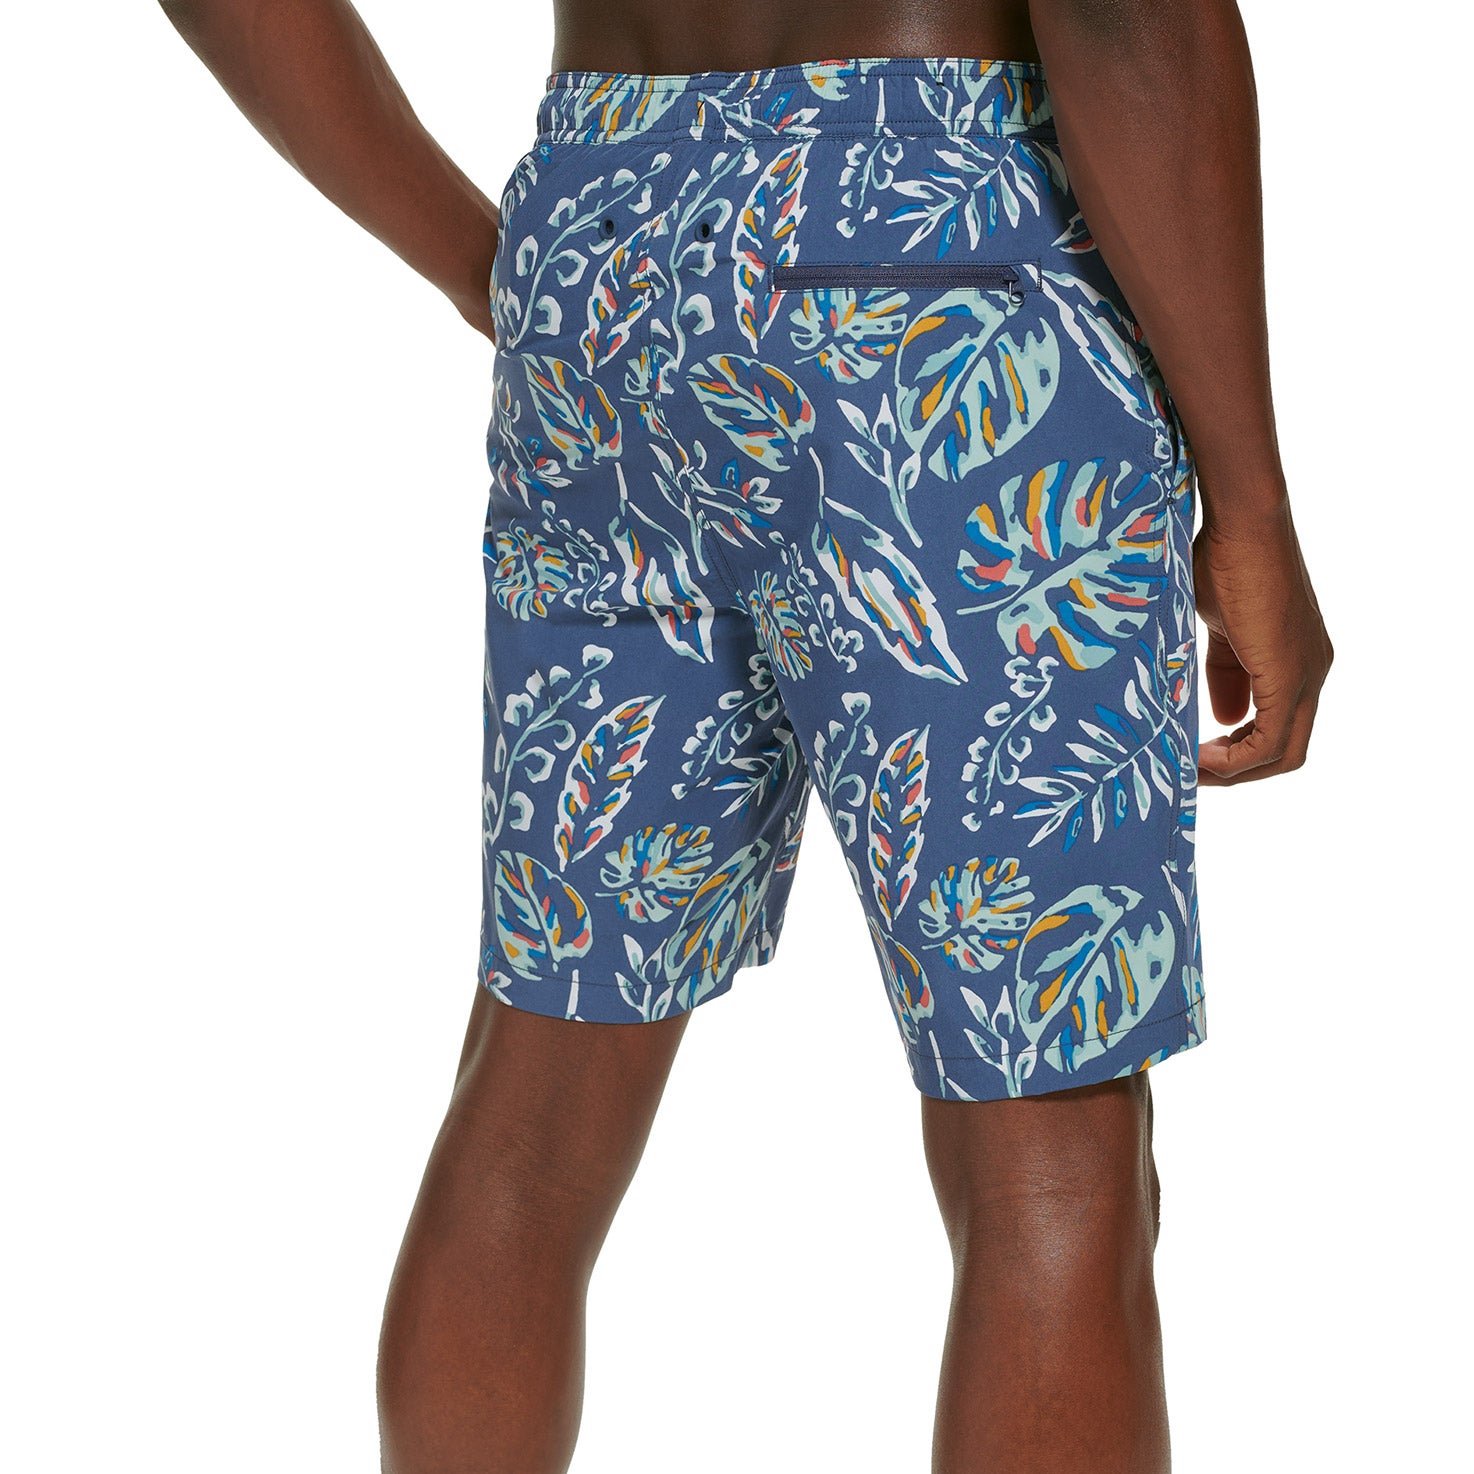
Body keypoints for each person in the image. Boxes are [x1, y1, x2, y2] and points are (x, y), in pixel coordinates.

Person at [158, 2, 1333, 1469]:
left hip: (603, 221)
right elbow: (1125, 16)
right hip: (928, 254)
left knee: (543, 1082)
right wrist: (1251, 504)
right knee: (1052, 1156)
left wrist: (497, 261)